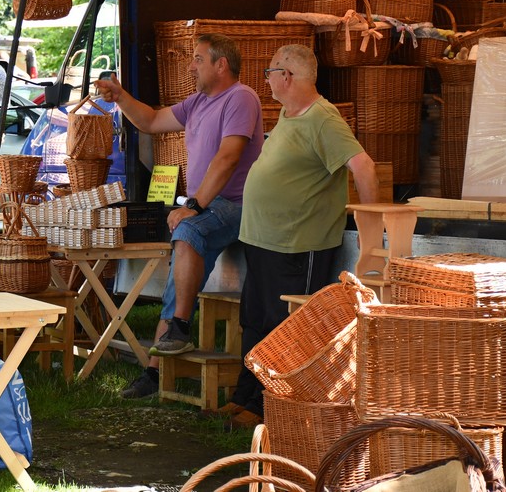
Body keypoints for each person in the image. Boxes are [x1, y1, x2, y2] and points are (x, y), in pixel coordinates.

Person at [95, 33, 263, 399]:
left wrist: (194, 205)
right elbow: (152, 121)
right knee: (183, 245)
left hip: (236, 204)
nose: (190, 66)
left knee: (186, 231)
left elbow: (229, 157)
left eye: (198, 59)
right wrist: (121, 96)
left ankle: (178, 331)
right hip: (208, 204)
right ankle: (161, 359)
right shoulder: (200, 101)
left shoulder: (241, 97)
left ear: (221, 64)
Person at [221, 43, 379, 430]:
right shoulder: (292, 116)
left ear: (287, 76)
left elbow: (364, 166)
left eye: (270, 73)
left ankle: (272, 409)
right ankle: (247, 398)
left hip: (297, 245)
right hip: (263, 240)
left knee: (286, 327)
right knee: (256, 321)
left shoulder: (324, 118)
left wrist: (375, 227)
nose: (268, 81)